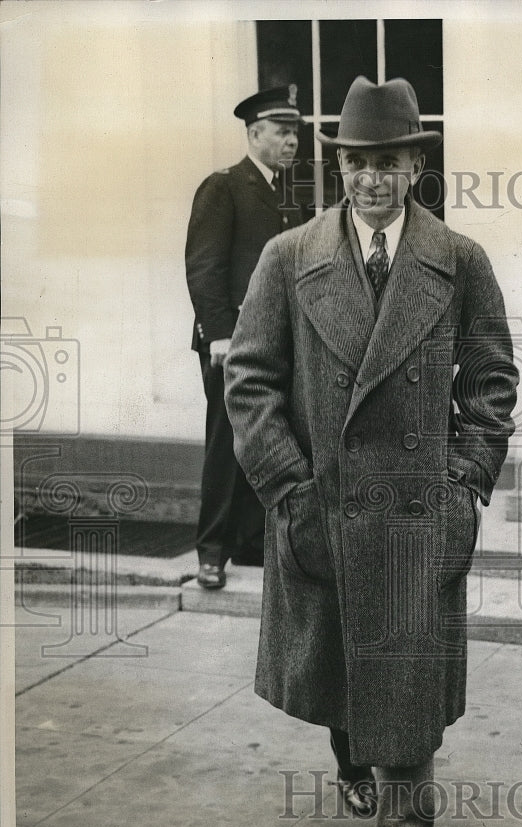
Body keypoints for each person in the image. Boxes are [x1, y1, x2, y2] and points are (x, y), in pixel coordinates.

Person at [224, 76, 518, 827]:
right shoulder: (290, 258)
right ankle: (353, 754)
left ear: (414, 167)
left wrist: (464, 484)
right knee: (341, 673)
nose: (372, 180)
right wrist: (290, 489)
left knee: (405, 689)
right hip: (323, 503)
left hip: (419, 514)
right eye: (357, 164)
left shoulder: (459, 261)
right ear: (340, 168)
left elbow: (492, 383)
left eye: (388, 163)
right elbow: (249, 381)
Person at [185, 84, 305, 589]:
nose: (292, 140)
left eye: (294, 132)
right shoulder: (224, 186)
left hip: (276, 342)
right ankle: (211, 552)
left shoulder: (288, 193)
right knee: (225, 443)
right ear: (255, 135)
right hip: (230, 344)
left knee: (268, 437)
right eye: (282, 131)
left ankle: (253, 544)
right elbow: (204, 266)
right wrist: (218, 335)